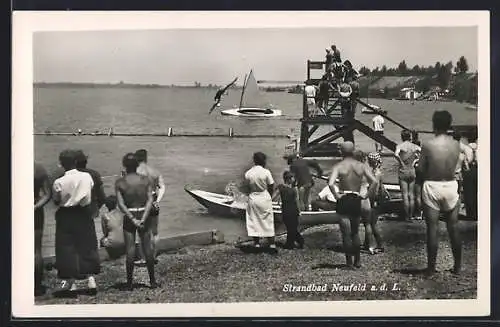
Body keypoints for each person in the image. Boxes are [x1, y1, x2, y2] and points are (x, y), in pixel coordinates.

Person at [417, 110, 462, 275]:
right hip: (450, 185)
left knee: (432, 229)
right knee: (454, 227)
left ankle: (431, 268)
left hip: (432, 186)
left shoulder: (428, 145)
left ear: (434, 124)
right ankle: (457, 266)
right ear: (449, 125)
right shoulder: (456, 145)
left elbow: (421, 169)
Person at [52, 150, 100, 297]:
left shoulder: (58, 181)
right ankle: (91, 280)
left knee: (66, 247)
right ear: (76, 162)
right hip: (83, 212)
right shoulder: (87, 176)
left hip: (66, 214)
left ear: (61, 164)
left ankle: (71, 282)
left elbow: (56, 200)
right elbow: (90, 190)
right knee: (87, 244)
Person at [328, 141, 377, 269]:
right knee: (355, 232)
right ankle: (358, 260)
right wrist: (366, 195)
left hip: (344, 197)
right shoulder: (361, 166)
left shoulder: (338, 166)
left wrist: (337, 195)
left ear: (341, 152)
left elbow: (330, 183)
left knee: (345, 234)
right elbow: (374, 181)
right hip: (356, 197)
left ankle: (349, 262)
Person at [115, 153, 158, 289]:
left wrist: (132, 219)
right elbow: (150, 200)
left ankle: (129, 283)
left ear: (124, 165)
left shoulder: (120, 182)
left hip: (130, 215)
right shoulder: (145, 180)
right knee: (147, 248)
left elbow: (121, 204)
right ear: (137, 165)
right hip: (143, 213)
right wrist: (144, 218)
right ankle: (152, 281)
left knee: (130, 249)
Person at [135, 149, 165, 262]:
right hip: (153, 201)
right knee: (154, 231)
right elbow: (162, 187)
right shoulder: (155, 172)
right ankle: (153, 256)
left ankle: (143, 258)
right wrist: (158, 200)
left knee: (141, 232)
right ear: (146, 158)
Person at [243, 152, 277, 254]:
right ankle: (271, 244)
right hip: (264, 197)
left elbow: (247, 187)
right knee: (268, 220)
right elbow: (271, 185)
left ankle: (256, 244)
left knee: (254, 220)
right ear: (263, 161)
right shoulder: (266, 172)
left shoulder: (248, 173)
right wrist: (269, 196)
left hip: (253, 197)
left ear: (254, 160)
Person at [395, 129, 421, 221]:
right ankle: (411, 215)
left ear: (402, 137)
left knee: (405, 195)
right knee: (411, 195)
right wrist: (415, 161)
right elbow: (421, 153)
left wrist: (401, 162)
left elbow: (396, 154)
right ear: (409, 137)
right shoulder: (414, 146)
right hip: (412, 169)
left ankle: (407, 216)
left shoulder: (400, 146)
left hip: (403, 170)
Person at [273, 171, 304, 249]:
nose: (294, 179)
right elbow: (297, 201)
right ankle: (298, 242)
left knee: (291, 228)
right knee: (292, 228)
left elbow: (273, 197)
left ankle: (290, 244)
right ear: (289, 179)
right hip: (292, 210)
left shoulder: (281, 187)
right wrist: (299, 211)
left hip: (286, 210)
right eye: (293, 178)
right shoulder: (294, 189)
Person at [34, 162, 52, 296]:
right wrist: (35, 207)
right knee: (36, 250)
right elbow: (47, 194)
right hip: (34, 208)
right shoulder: (38, 168)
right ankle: (36, 286)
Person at [74, 150, 106, 219]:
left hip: (73, 212)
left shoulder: (68, 176)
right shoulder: (94, 174)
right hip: (91, 211)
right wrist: (96, 207)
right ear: (86, 162)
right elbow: (102, 197)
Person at [364, 152, 385, 254]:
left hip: (374, 200)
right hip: (377, 199)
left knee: (372, 224)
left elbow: (375, 190)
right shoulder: (377, 172)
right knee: (370, 222)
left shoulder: (376, 173)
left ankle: (379, 245)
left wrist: (370, 200)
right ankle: (366, 243)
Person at [100, 195, 125, 260]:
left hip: (113, 243)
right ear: (116, 204)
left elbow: (105, 233)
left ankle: (110, 255)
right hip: (125, 242)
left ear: (106, 205)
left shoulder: (105, 216)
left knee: (102, 240)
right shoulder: (122, 214)